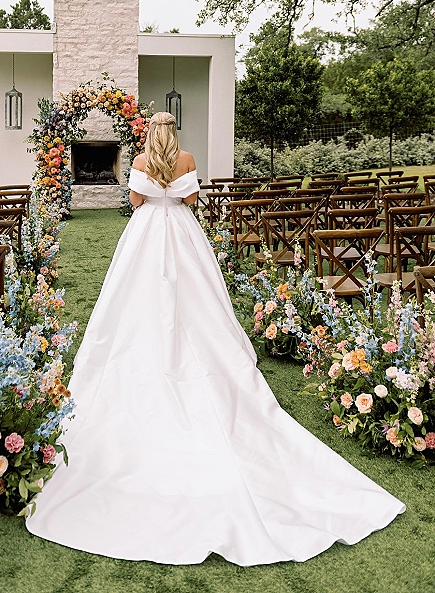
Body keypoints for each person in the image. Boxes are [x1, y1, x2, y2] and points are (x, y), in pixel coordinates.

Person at [27, 111, 405, 566]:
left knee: (137, 299)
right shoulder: (185, 158)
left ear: (151, 133)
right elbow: (191, 202)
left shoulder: (144, 160)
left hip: (147, 234)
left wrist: (153, 192)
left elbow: (134, 201)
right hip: (183, 236)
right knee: (197, 299)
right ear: (175, 132)